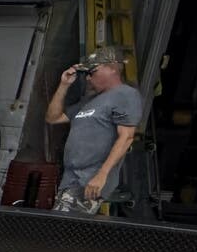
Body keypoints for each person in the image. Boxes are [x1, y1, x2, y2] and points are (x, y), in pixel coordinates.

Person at [44, 49, 142, 213]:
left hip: (90, 180)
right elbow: (52, 118)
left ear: (112, 68)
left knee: (60, 226)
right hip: (71, 178)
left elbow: (126, 137)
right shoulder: (89, 101)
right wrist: (64, 85)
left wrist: (102, 175)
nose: (88, 78)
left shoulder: (125, 94)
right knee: (60, 225)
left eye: (92, 72)